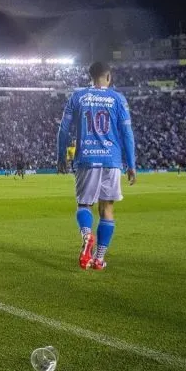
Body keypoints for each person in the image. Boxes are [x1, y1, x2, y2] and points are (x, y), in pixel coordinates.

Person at [57, 62, 137, 271]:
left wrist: (61, 156)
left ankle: (86, 235)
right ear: (108, 77)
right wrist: (131, 164)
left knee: (84, 205)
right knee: (107, 209)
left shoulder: (78, 96)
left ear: (90, 76)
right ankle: (99, 259)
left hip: (87, 159)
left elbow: (63, 129)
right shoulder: (118, 99)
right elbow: (127, 134)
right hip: (111, 160)